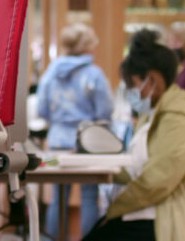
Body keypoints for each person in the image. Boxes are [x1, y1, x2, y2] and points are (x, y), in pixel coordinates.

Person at [84, 29, 185, 241]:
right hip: (161, 207)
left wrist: (114, 211)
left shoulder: (179, 118)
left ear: (153, 80)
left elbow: (158, 180)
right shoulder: (154, 114)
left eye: (133, 85)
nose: (130, 92)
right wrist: (92, 165)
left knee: (102, 234)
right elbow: (139, 166)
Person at [37, 23, 113, 237]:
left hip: (57, 145)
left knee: (58, 197)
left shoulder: (50, 73)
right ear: (87, 46)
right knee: (89, 195)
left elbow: (41, 109)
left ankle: (53, 238)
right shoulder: (94, 74)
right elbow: (106, 110)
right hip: (86, 145)